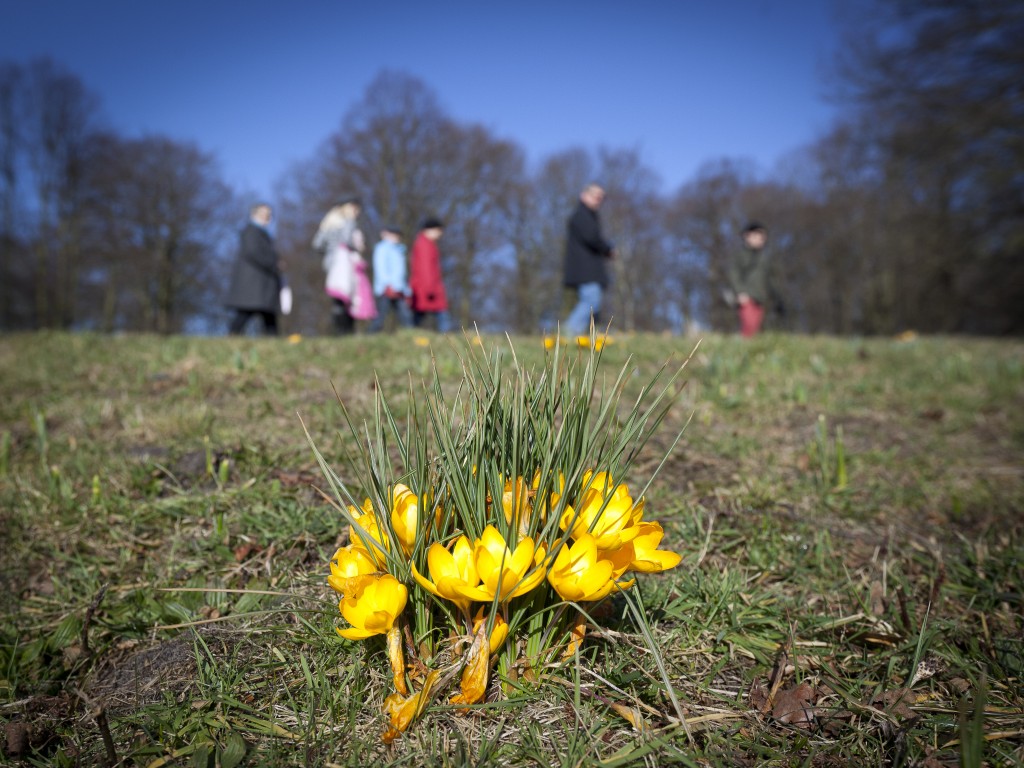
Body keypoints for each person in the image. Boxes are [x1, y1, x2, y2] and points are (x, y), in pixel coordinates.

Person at [562, 183, 614, 335]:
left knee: (594, 303)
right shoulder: (581, 216)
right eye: (595, 196)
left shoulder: (588, 216)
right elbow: (592, 238)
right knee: (591, 301)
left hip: (587, 269)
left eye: (601, 198)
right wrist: (608, 249)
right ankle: (568, 334)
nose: (598, 200)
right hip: (585, 270)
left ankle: (590, 335)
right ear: (584, 195)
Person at [314, 197, 369, 335]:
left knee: (347, 299)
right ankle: (342, 332)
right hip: (339, 266)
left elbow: (318, 244)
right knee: (341, 299)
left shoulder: (331, 224)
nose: (356, 212)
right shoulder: (343, 224)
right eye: (354, 208)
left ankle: (347, 332)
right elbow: (344, 240)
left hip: (344, 265)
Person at [226, 202, 282, 336]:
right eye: (264, 214)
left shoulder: (261, 233)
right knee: (246, 312)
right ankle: (233, 335)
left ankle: (273, 340)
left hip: (261, 284)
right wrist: (274, 264)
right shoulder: (251, 231)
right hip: (253, 283)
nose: (268, 217)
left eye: (269, 215)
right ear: (255, 214)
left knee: (268, 315)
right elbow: (254, 252)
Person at [727, 221, 780, 337]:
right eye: (756, 236)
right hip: (746, 296)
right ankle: (742, 346)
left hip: (760, 298)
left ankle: (749, 346)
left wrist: (777, 297)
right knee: (749, 326)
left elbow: (770, 280)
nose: (760, 240)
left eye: (762, 237)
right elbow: (734, 274)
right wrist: (740, 291)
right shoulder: (741, 255)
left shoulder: (764, 258)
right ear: (747, 236)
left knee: (756, 327)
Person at [409, 217, 449, 331]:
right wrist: (429, 288)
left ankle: (412, 333)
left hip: (426, 286)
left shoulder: (426, 244)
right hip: (427, 286)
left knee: (420, 313)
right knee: (441, 314)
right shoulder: (424, 245)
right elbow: (425, 268)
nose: (440, 234)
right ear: (429, 230)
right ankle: (447, 337)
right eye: (438, 231)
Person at [370, 225, 411, 333]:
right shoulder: (382, 248)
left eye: (397, 235)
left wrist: (406, 289)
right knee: (380, 316)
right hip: (386, 288)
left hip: (400, 288)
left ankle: (410, 335)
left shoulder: (400, 250)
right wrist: (387, 284)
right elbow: (381, 268)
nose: (396, 237)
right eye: (393, 234)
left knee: (405, 316)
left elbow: (402, 272)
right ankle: (371, 336)